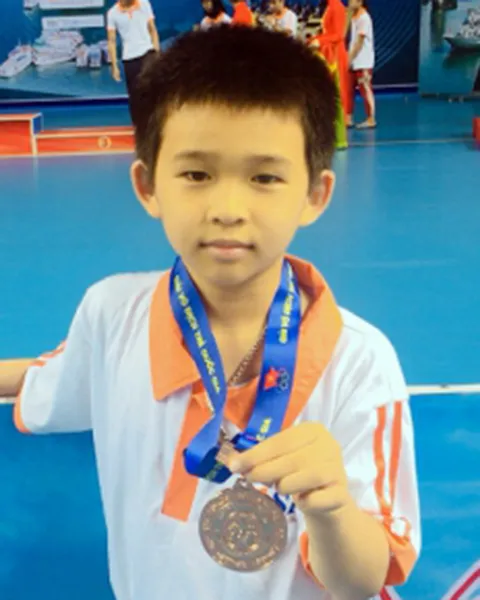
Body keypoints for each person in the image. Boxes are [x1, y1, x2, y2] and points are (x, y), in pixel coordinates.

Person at [1, 26, 420, 600]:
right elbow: (52, 378)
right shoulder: (110, 317)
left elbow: (363, 580)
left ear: (315, 195)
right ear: (148, 186)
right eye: (196, 174)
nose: (227, 208)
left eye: (264, 177)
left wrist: (331, 507)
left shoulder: (360, 361)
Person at [107, 0, 160, 128]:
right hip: (129, 58)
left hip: (148, 52)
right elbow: (111, 41)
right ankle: (139, 126)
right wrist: (114, 65)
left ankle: (155, 123)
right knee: (135, 96)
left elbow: (152, 29)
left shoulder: (144, 4)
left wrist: (157, 53)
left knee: (152, 90)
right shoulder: (112, 13)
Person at [308, 0, 349, 120]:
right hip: (329, 53)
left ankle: (339, 122)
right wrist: (314, 39)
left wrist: (319, 41)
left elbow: (339, 35)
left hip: (336, 54)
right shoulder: (330, 6)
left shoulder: (337, 7)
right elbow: (329, 33)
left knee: (338, 90)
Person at [346, 0, 376, 129]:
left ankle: (371, 119)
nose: (349, 3)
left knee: (365, 90)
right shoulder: (353, 16)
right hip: (353, 61)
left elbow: (359, 43)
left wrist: (349, 59)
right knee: (348, 90)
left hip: (363, 61)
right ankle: (348, 118)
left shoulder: (364, 18)